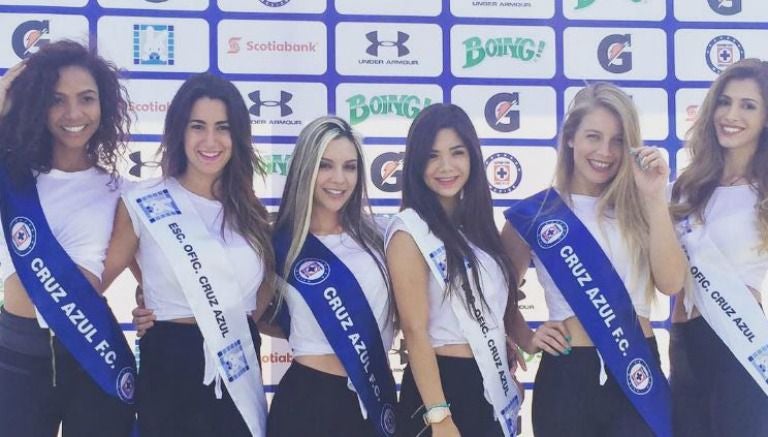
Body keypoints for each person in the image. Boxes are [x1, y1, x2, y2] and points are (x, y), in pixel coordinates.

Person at [503, 82, 685, 437]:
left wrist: (654, 198)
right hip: (567, 375)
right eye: (593, 137)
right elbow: (493, 294)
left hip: (636, 371)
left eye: (617, 140)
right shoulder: (537, 212)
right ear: (570, 137)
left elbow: (671, 283)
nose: (605, 151)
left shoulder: (643, 207)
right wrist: (526, 337)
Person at [102, 73, 273, 437]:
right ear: (179, 131)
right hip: (169, 367)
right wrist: (151, 299)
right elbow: (95, 283)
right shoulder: (143, 202)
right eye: (198, 126)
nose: (210, 140)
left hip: (238, 361)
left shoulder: (251, 212)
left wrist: (222, 318)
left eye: (222, 128)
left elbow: (262, 292)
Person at [0, 40, 136, 436]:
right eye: (56, 100)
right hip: (17, 352)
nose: (73, 113)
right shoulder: (11, 179)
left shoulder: (121, 191)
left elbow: (159, 278)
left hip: (91, 352)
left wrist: (149, 309)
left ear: (103, 105)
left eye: (86, 99)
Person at [387, 103, 522, 437]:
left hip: (488, 386)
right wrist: (439, 416)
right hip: (441, 389)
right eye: (432, 156)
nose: (446, 166)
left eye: (457, 152)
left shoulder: (478, 229)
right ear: (416, 163)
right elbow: (414, 329)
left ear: (472, 156)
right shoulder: (409, 230)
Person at [266, 116, 397, 437]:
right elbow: (246, 313)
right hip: (306, 403)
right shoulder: (277, 244)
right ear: (305, 168)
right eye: (325, 165)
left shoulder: (381, 237)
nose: (339, 178)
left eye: (350, 167)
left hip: (373, 398)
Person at [669, 58, 768, 437]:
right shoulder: (686, 188)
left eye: (748, 105)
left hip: (741, 339)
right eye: (724, 102)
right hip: (685, 342)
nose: (731, 115)